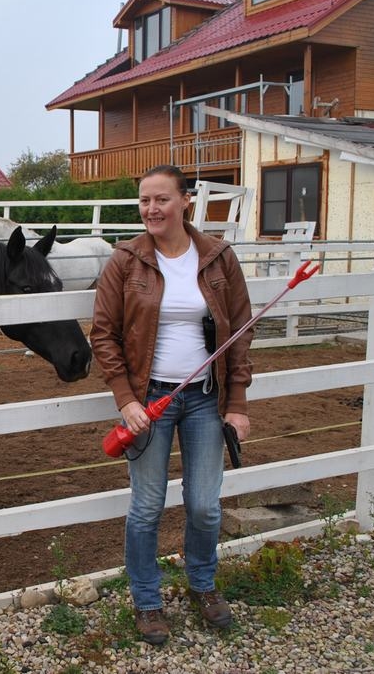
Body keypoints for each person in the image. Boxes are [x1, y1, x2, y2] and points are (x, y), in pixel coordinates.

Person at [90, 164, 253, 646]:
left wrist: (237, 402)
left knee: (204, 505)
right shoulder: (125, 261)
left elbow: (241, 334)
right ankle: (147, 601)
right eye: (144, 201)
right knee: (146, 506)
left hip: (204, 400)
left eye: (161, 199)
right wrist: (125, 399)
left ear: (185, 201)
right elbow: (104, 334)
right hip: (150, 400)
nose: (151, 209)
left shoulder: (220, 258)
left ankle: (203, 585)